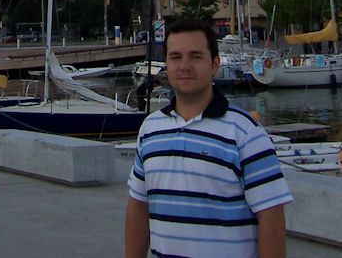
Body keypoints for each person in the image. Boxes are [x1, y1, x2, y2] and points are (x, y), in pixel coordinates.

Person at [125, 18, 292, 258]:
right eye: (175, 57)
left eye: (195, 56)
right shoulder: (150, 130)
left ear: (214, 64)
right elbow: (139, 208)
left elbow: (271, 216)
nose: (184, 66)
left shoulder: (245, 132)